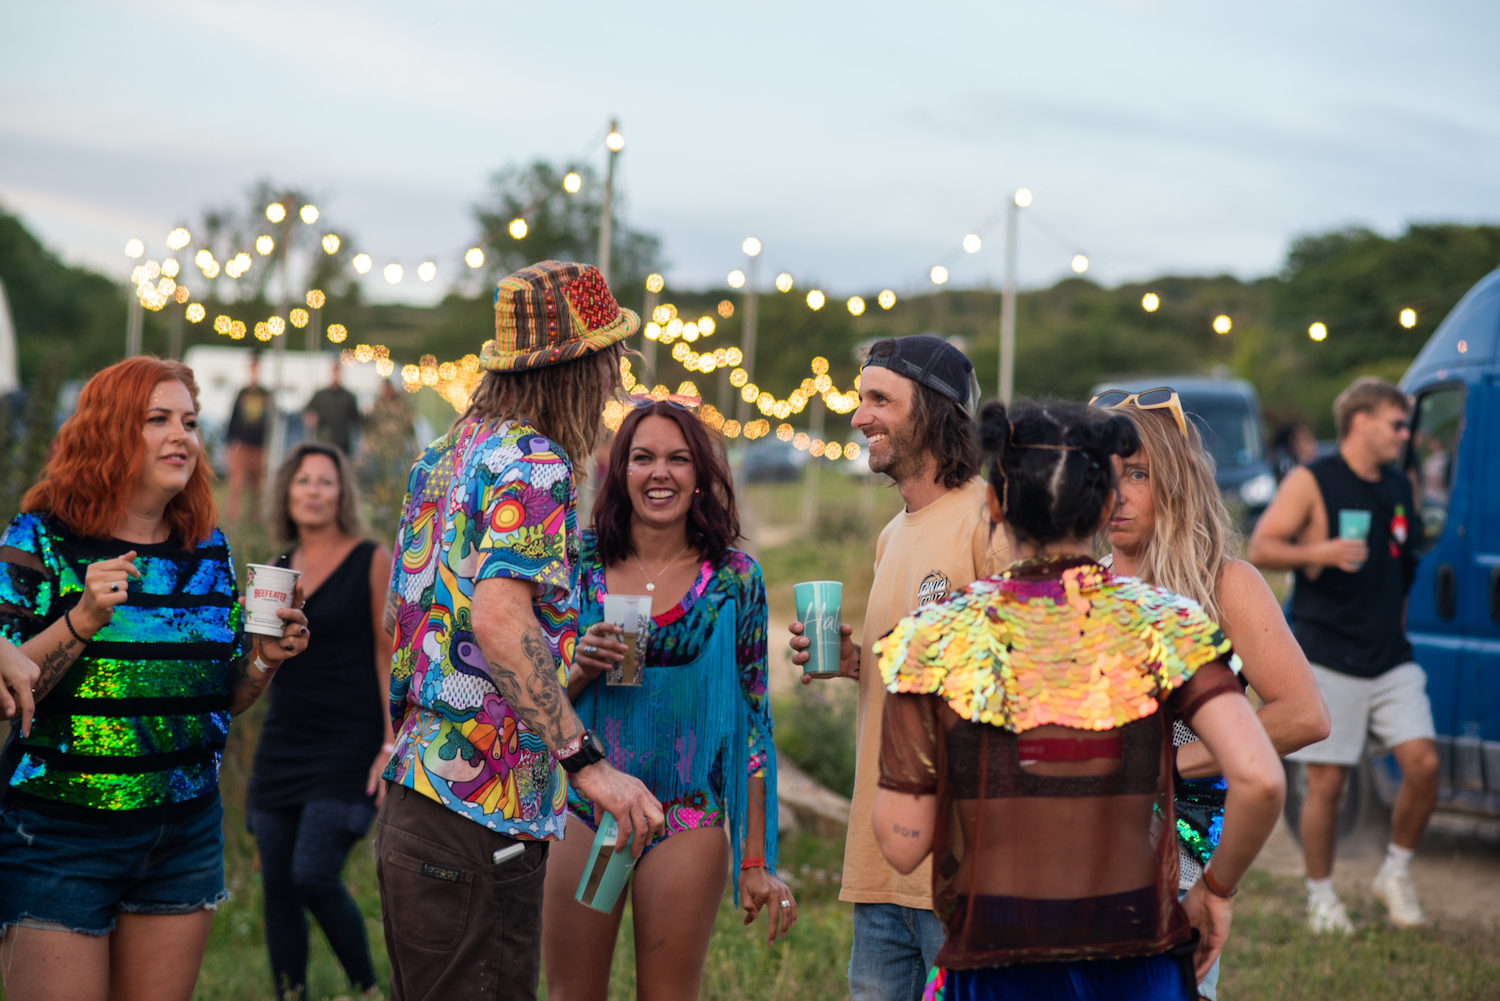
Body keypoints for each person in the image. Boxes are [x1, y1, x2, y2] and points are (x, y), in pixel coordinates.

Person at [873, 398, 1286, 1001]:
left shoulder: (934, 640)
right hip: (1137, 959)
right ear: (1099, 507)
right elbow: (1262, 780)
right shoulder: (1164, 622)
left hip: (996, 961)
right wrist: (1214, 891)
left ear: (993, 503)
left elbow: (901, 843)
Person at [378, 261, 665, 1001]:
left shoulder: (445, 456)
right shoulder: (535, 462)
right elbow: (500, 622)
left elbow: (400, 619)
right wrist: (588, 763)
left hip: (418, 797)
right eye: (609, 358)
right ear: (575, 366)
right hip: (480, 815)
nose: (615, 381)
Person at [0, 356, 309, 1001]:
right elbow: (5, 694)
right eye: (158, 419)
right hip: (60, 835)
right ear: (111, 431)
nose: (182, 436)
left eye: (190, 423)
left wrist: (261, 661)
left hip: (184, 835)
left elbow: (220, 697)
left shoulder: (208, 549)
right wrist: (82, 618)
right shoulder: (42, 539)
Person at [543, 400, 796, 999]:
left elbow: (753, 722)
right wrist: (578, 668)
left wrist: (755, 858)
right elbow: (536, 701)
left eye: (679, 459)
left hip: (686, 816)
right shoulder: (580, 563)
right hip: (590, 810)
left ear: (702, 474)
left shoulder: (734, 578)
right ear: (619, 471)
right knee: (572, 994)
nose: (660, 473)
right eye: (643, 458)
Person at [788, 335, 1007, 1001]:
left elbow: (1021, 675)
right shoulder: (893, 533)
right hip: (880, 856)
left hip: (961, 864)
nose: (859, 417)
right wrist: (859, 662)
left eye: (879, 399)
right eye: (861, 399)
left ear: (935, 412)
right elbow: (914, 668)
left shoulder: (989, 520)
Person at [1093, 387, 1330, 999]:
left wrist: (1174, 761)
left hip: (1171, 869)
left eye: (1138, 474)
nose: (1116, 495)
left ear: (1174, 481)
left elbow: (1303, 715)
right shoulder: (1081, 587)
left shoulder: (1225, 585)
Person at [1249, 376, 1437, 932]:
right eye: (1396, 423)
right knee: (1327, 782)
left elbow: (1403, 567)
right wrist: (1322, 551)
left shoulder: (1401, 485)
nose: (1405, 434)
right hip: (1327, 650)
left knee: (1424, 765)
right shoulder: (1313, 479)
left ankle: (1394, 873)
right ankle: (1321, 896)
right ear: (1361, 422)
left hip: (1389, 654)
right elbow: (1261, 546)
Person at [247, 442, 394, 1000]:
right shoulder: (278, 568)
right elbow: (260, 662)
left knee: (312, 872)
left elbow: (388, 656)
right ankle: (292, 993)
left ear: (341, 494)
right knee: (278, 885)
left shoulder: (370, 558)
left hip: (349, 742)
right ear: (287, 491)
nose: (312, 489)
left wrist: (389, 743)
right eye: (303, 480)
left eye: (325, 481)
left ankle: (367, 990)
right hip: (284, 740)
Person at [225, 350, 272, 522]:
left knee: (258, 486)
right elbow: (233, 418)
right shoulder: (243, 392)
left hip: (260, 446)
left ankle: (256, 517)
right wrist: (229, 444)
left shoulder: (266, 394)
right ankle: (233, 517)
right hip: (242, 445)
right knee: (236, 484)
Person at [304, 361, 362, 456]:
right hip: (323, 440)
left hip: (342, 443)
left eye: (338, 372)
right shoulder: (320, 395)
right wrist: (311, 418)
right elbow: (308, 412)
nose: (336, 375)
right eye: (334, 372)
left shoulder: (348, 397)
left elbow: (356, 420)